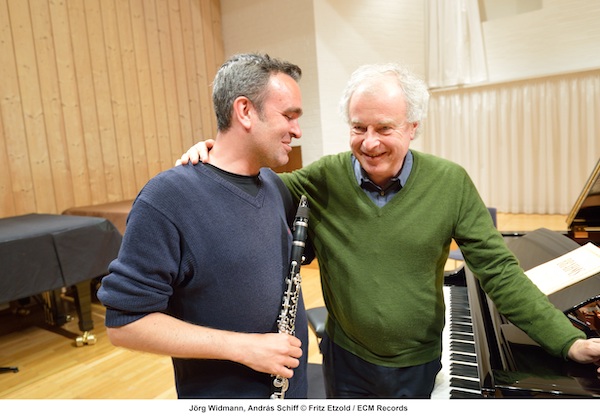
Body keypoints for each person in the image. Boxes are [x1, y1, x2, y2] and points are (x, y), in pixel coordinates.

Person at [178, 62, 600, 398]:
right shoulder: (323, 177)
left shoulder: (450, 182)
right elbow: (250, 190)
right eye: (358, 127)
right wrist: (216, 155)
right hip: (345, 359)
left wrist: (566, 341)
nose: (370, 142)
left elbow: (499, 272)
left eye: (385, 128)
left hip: (417, 362)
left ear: (413, 127)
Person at [97, 53, 309, 399]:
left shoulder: (274, 186)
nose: (297, 130)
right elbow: (125, 324)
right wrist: (244, 347)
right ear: (244, 111)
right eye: (288, 116)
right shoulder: (166, 198)